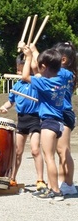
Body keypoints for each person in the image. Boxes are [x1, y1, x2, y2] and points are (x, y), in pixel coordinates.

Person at [21, 43, 66, 201]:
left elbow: (25, 77)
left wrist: (27, 58)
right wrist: (34, 51)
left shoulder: (45, 83)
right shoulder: (61, 78)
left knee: (49, 158)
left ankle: (55, 191)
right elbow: (40, 69)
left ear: (44, 67)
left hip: (48, 122)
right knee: (51, 156)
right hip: (59, 122)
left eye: (40, 67)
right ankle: (54, 188)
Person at [0, 53, 46, 191]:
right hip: (21, 119)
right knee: (18, 151)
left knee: (35, 149)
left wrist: (31, 56)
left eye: (23, 70)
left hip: (35, 119)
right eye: (18, 70)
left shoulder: (36, 82)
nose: (20, 73)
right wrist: (4, 107)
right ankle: (12, 178)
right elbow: (10, 101)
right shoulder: (16, 86)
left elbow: (38, 73)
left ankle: (40, 179)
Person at [53, 42, 77, 195]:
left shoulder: (63, 73)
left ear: (63, 60)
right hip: (60, 113)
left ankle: (69, 182)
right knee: (59, 150)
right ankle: (64, 182)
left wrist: (32, 53)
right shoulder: (64, 73)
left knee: (64, 149)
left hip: (64, 113)